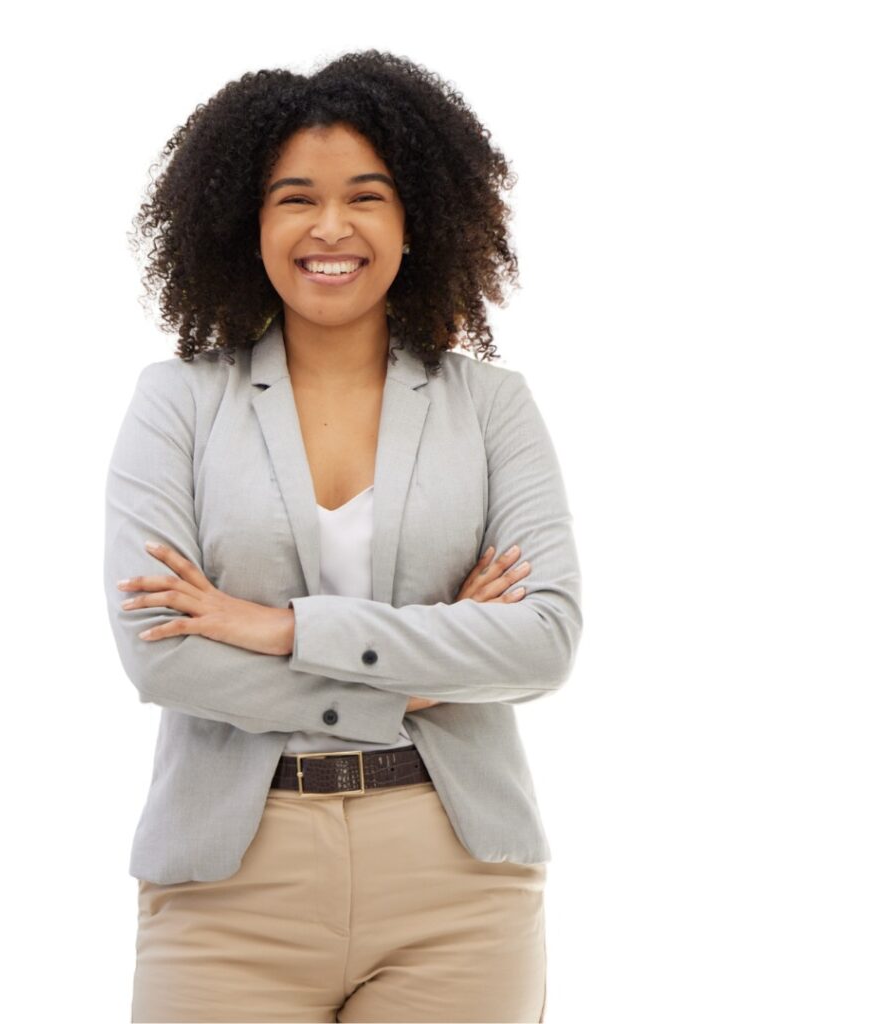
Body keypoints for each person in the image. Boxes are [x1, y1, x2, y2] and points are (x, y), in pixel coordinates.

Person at [104, 48, 582, 1024]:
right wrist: (424, 667)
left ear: (418, 220)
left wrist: (279, 627)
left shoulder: (491, 405)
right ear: (248, 221)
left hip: (454, 877)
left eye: (366, 195)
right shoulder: (178, 403)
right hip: (228, 888)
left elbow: (543, 638)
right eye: (294, 198)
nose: (330, 227)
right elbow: (163, 657)